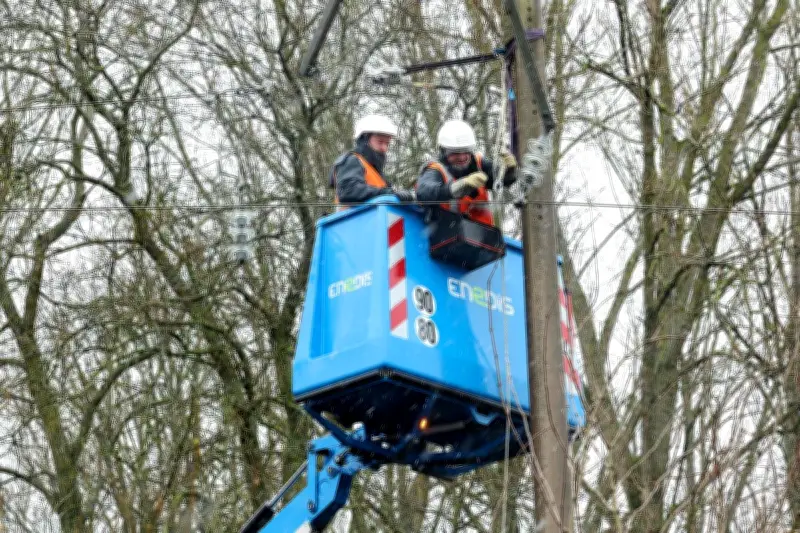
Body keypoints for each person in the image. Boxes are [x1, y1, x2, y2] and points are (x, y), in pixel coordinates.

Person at [415, 119, 517, 227]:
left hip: (484, 236)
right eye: (454, 153)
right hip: (446, 235)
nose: (462, 157)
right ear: (443, 151)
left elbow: (500, 181)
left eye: (466, 151)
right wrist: (458, 187)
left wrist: (508, 172)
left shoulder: (479, 163)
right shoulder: (436, 169)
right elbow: (424, 193)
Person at [328, 114, 415, 210]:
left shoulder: (377, 174)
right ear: (365, 140)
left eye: (387, 144)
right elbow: (348, 191)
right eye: (380, 142)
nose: (384, 148)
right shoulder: (351, 160)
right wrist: (387, 193)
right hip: (354, 222)